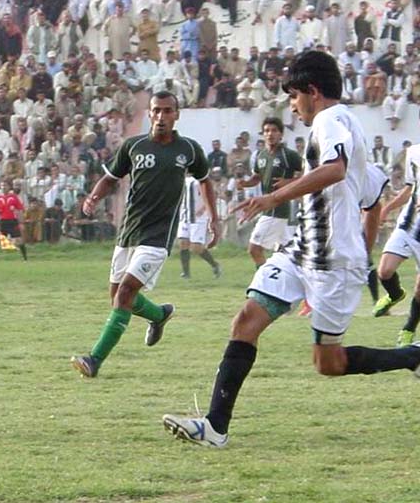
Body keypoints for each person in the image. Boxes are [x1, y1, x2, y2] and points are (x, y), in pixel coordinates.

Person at [162, 50, 420, 448]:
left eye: (294, 96)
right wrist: (364, 251)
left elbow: (335, 170)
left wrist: (272, 198)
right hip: (303, 250)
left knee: (328, 363)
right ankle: (215, 427)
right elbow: (370, 200)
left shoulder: (330, 120)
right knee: (246, 321)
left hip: (332, 261)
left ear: (312, 91)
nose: (292, 105)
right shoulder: (349, 126)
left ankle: (413, 356)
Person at [70, 91, 218, 378]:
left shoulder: (188, 149)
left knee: (125, 293)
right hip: (129, 232)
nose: (161, 116)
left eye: (167, 111)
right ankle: (160, 315)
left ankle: (94, 360)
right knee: (117, 297)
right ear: (149, 114)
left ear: (177, 115)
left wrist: (213, 216)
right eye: (156, 111)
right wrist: (93, 197)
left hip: (158, 236)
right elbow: (110, 177)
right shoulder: (134, 146)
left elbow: (205, 181)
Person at [371, 132, 420, 343]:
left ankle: (408, 329)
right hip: (408, 224)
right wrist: (388, 207)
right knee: (385, 271)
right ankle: (394, 295)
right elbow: (410, 188)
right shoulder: (414, 152)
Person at [235, 117, 303, 267]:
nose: (270, 134)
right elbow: (257, 177)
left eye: (274, 130)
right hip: (268, 208)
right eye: (266, 131)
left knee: (254, 249)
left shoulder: (289, 155)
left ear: (281, 134)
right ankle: (285, 282)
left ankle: (263, 281)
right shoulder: (261, 155)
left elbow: (307, 176)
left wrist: (289, 182)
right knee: (285, 254)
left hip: (277, 209)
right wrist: (245, 183)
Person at [177, 173, 221, 279]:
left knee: (196, 247)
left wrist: (204, 208)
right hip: (185, 216)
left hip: (198, 218)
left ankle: (215, 265)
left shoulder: (198, 179)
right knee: (183, 243)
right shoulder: (181, 179)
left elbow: (213, 194)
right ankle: (186, 273)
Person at [0, 180, 27, 261]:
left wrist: (21, 222)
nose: (4, 187)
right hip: (2, 222)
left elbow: (20, 210)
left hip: (12, 221)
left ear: (9, 187)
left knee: (19, 240)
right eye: (2, 185)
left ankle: (25, 258)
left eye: (5, 185)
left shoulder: (14, 197)